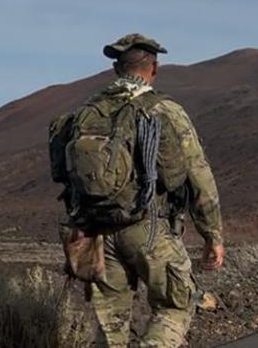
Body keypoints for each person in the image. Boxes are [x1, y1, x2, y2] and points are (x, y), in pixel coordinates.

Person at [74, 33, 224, 348]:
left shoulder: (87, 112)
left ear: (117, 69)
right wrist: (213, 236)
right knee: (175, 305)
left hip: (95, 232)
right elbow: (199, 176)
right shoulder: (163, 109)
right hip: (148, 226)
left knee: (110, 328)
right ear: (153, 68)